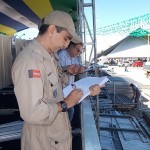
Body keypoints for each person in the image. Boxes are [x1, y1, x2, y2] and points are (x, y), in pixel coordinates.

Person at [11, 10, 101, 150]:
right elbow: (32, 112)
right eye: (66, 38)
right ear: (52, 29)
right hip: (42, 141)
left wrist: (86, 89)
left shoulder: (49, 56)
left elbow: (54, 88)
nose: (66, 45)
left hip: (55, 136)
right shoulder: (30, 60)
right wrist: (65, 104)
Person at [58, 42, 86, 122]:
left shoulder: (74, 57)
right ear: (70, 46)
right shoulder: (61, 56)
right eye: (77, 50)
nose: (78, 54)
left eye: (80, 52)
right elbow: (57, 73)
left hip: (68, 89)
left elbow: (75, 70)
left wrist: (81, 70)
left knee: (70, 110)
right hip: (61, 91)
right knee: (70, 111)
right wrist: (67, 70)